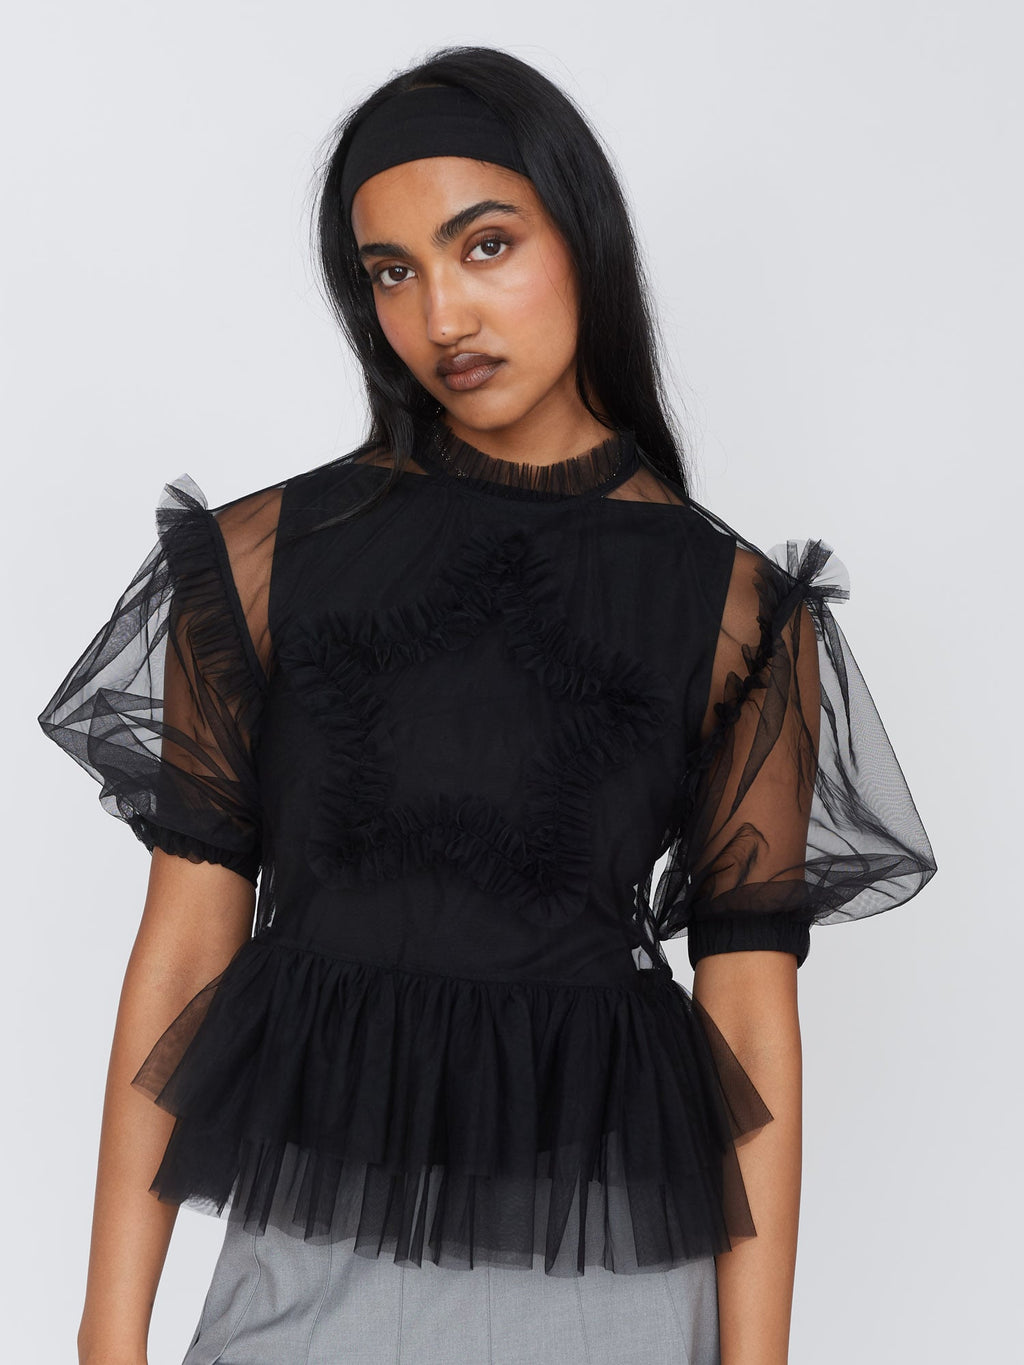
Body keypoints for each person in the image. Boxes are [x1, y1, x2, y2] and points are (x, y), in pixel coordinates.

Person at [38, 44, 937, 1365]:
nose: (442, 315)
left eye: (486, 245)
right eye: (391, 271)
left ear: (582, 237)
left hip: (608, 1263)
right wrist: (106, 1335)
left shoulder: (738, 612)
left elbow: (749, 1015)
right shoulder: (264, 567)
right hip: (311, 1246)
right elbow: (183, 950)